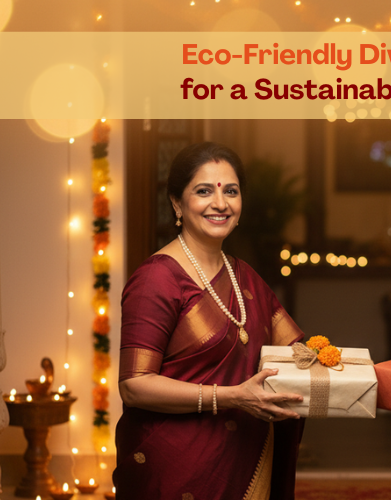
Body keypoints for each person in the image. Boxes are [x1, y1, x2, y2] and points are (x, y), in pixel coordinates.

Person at [114, 142, 305, 500]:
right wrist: (231, 397)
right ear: (177, 203)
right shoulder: (157, 279)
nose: (220, 204)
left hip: (244, 458)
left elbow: (299, 354)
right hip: (174, 467)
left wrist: (361, 371)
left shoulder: (244, 277)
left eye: (231, 191)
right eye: (204, 191)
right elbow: (134, 385)